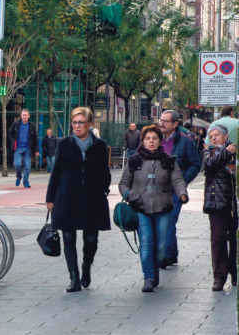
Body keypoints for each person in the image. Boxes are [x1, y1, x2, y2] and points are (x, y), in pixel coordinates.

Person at [46, 107, 111, 293]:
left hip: (93, 198)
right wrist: (50, 198)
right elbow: (56, 171)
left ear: (89, 124)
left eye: (81, 122)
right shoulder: (64, 144)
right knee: (68, 237)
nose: (77, 126)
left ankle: (86, 266)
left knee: (91, 239)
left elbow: (105, 172)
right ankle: (73, 277)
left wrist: (104, 189)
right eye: (74, 122)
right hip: (67, 196)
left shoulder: (99, 145)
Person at [119, 125, 188, 293]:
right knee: (147, 243)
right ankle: (149, 277)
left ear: (159, 141)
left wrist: (182, 194)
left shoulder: (169, 160)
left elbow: (178, 180)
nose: (151, 141)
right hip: (141, 209)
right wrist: (130, 195)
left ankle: (155, 268)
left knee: (162, 246)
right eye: (148, 139)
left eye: (154, 138)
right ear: (143, 141)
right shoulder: (134, 160)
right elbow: (123, 184)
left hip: (163, 208)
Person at [158, 110, 200, 267]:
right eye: (160, 120)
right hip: (156, 189)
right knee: (163, 221)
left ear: (175, 124)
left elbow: (196, 164)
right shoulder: (154, 138)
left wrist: (183, 180)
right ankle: (171, 254)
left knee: (169, 220)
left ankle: (164, 256)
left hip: (175, 189)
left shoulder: (185, 141)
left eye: (165, 121)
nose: (161, 123)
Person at [202, 124, 236, 291]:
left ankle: (234, 272)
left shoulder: (234, 151)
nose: (214, 138)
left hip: (234, 202)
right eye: (211, 135)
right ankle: (219, 276)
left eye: (217, 135)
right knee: (218, 240)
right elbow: (209, 165)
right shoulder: (209, 152)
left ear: (226, 136)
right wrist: (226, 152)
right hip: (217, 203)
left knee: (234, 240)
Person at [10, 109, 39, 189]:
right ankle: (19, 176)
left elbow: (35, 138)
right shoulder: (16, 124)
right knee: (17, 164)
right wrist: (13, 142)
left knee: (27, 166)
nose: (24, 117)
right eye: (23, 115)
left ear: (28, 116)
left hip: (27, 149)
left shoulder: (32, 126)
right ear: (21, 116)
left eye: (26, 115)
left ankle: (25, 181)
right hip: (18, 148)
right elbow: (10, 133)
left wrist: (36, 150)